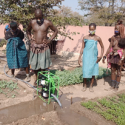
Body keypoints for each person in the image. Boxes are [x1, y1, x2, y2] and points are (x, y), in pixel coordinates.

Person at [27, 9, 58, 87]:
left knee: (43, 65)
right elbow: (28, 31)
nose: (38, 20)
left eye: (40, 18)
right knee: (35, 65)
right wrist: (30, 38)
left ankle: (42, 80)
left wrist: (50, 40)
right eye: (36, 18)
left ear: (42, 15)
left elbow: (56, 30)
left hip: (44, 47)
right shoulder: (32, 22)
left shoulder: (47, 22)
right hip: (35, 47)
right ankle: (37, 79)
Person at [78, 23, 104, 92]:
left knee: (93, 72)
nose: (91, 30)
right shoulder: (85, 37)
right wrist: (79, 57)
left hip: (94, 57)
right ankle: (85, 85)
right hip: (86, 57)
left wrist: (100, 56)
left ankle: (91, 86)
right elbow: (82, 47)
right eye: (90, 29)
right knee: (85, 71)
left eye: (93, 29)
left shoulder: (97, 38)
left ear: (95, 29)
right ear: (88, 29)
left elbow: (102, 47)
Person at [102, 24, 125, 91]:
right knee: (112, 70)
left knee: (119, 71)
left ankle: (116, 86)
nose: (115, 30)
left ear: (121, 30)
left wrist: (122, 58)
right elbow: (110, 47)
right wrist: (105, 55)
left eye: (117, 29)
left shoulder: (123, 38)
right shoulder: (113, 37)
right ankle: (112, 85)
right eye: (115, 29)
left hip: (120, 56)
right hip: (113, 55)